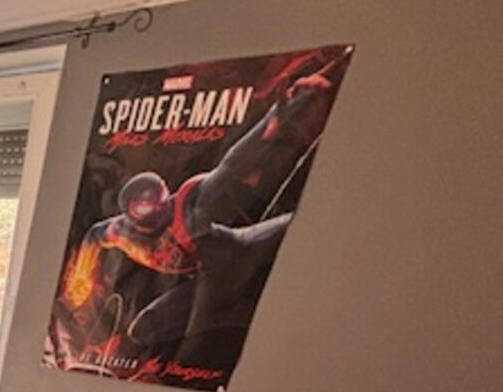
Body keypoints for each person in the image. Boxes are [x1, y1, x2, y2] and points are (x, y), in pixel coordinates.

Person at [57, 66, 341, 374]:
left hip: (235, 253)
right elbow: (93, 236)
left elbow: (233, 163)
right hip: (203, 283)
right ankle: (235, 312)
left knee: (297, 227)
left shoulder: (189, 203)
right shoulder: (121, 232)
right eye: (143, 212)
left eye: (157, 206)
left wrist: (277, 115)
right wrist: (80, 283)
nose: (155, 217)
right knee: (144, 329)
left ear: (165, 197)